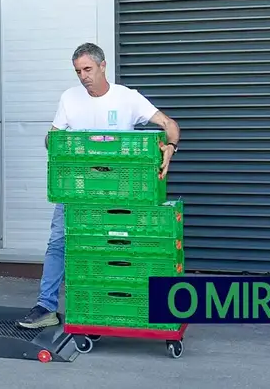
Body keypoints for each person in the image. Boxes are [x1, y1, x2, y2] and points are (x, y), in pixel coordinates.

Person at [16, 42, 181, 329]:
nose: (83, 77)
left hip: (122, 188)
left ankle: (132, 305)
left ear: (103, 66)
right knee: (59, 242)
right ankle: (46, 307)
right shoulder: (70, 98)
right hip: (78, 187)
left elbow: (169, 123)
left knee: (122, 243)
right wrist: (56, 142)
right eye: (78, 71)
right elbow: (51, 138)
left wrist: (170, 146)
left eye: (88, 69)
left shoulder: (127, 98)